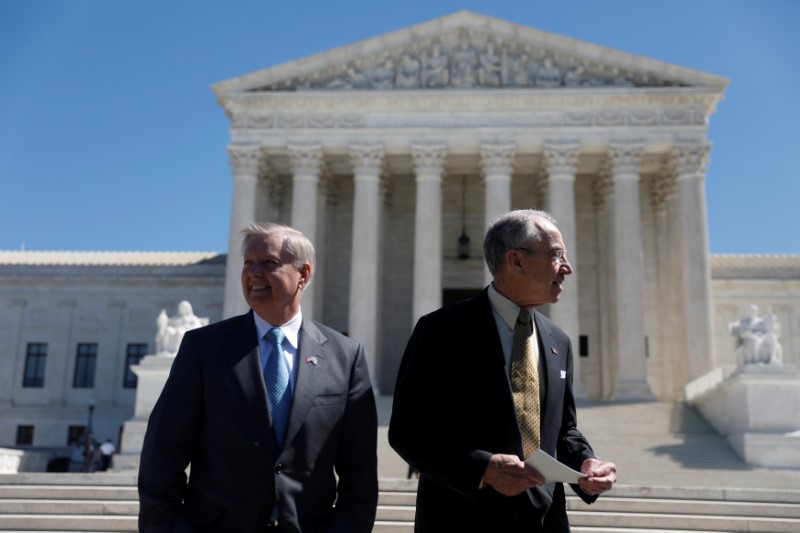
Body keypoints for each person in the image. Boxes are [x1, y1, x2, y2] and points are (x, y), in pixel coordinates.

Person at [138, 222, 379, 532]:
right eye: (248, 263)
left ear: (302, 274)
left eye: (269, 263)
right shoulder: (203, 348)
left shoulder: (345, 356)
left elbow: (359, 471)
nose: (254, 272)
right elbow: (163, 453)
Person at [389, 209, 616, 532]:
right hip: (462, 521)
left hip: (544, 521)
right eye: (556, 255)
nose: (567, 268)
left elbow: (563, 430)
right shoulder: (441, 331)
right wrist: (484, 469)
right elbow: (408, 431)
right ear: (517, 261)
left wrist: (585, 464)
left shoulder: (558, 341)